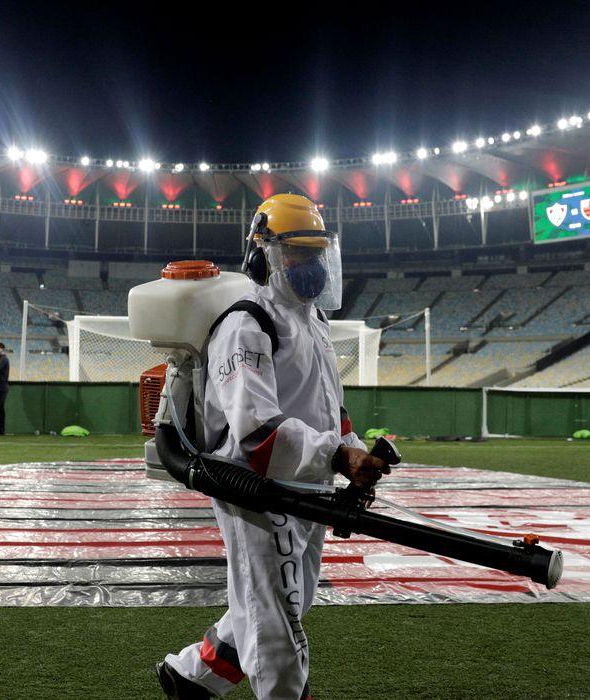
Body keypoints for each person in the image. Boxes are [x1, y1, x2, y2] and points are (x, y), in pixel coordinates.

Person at [156, 194, 390, 700]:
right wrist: (337, 455)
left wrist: (354, 454)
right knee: (279, 629)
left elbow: (331, 411)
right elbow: (257, 434)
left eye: (316, 254)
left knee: (286, 603)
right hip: (259, 491)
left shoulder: (315, 323)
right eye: (297, 254)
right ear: (262, 256)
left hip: (307, 484)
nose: (311, 267)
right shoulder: (246, 325)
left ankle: (191, 676)